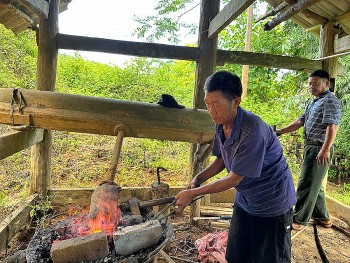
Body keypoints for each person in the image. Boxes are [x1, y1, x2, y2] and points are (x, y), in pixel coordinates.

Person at [175, 70, 296, 263]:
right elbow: (222, 160)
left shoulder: (252, 130)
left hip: (271, 202)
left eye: (216, 105)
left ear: (236, 102)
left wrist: (193, 193)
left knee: (269, 258)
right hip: (246, 200)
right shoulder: (221, 122)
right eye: (207, 104)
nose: (211, 111)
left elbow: (234, 178)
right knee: (236, 254)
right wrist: (198, 179)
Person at [276, 69, 342, 230]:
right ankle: (323, 217)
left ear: (327, 84)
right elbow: (300, 121)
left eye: (316, 84)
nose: (311, 87)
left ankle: (299, 219)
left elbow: (332, 126)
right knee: (315, 184)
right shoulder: (314, 101)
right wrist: (281, 131)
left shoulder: (330, 101)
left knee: (307, 183)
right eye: (310, 84)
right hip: (311, 147)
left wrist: (325, 149)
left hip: (320, 148)